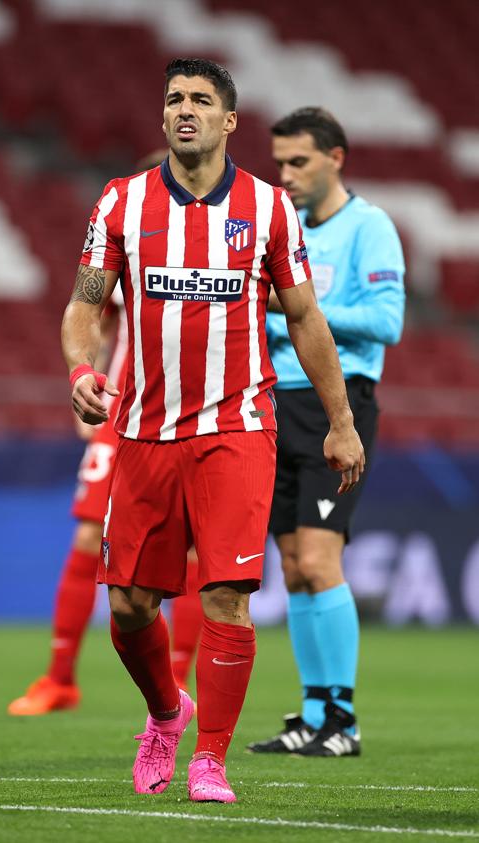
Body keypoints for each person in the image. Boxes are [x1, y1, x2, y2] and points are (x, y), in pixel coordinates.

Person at [61, 59, 364, 803]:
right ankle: (167, 711)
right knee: (130, 605)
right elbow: (83, 306)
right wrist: (79, 371)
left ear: (230, 121)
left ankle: (211, 759)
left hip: (238, 426)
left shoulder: (266, 209)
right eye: (173, 99)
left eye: (201, 99)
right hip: (145, 429)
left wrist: (341, 421)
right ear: (161, 117)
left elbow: (303, 316)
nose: (184, 109)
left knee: (228, 593)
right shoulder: (122, 203)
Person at [8, 154, 204, 717]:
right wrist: (85, 378)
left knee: (190, 549)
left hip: (195, 415)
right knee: (90, 537)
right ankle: (59, 679)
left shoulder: (221, 243)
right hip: (122, 414)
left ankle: (175, 683)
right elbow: (91, 311)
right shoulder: (125, 236)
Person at [247, 107, 405, 757]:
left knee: (318, 559)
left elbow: (387, 320)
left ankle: (343, 718)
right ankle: (314, 715)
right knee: (292, 568)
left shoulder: (369, 226)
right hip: (273, 406)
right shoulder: (283, 228)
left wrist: (295, 307)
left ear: (336, 157)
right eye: (279, 162)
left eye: (299, 162)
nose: (284, 175)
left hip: (334, 407)